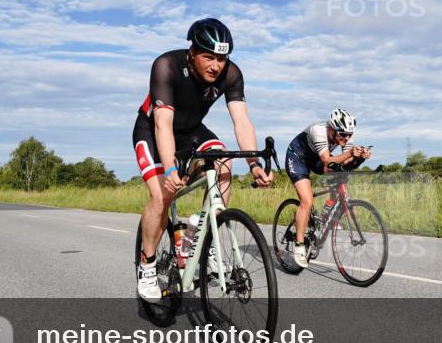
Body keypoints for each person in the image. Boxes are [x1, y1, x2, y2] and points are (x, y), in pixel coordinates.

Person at [132, 18, 273, 300]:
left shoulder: (231, 74)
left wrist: (254, 164)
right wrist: (170, 167)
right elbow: (162, 123)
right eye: (209, 57)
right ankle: (147, 265)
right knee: (163, 197)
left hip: (193, 131)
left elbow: (241, 121)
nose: (216, 66)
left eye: (222, 58)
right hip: (153, 130)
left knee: (223, 163)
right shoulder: (167, 65)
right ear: (192, 52)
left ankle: (205, 237)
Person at [284, 109, 371, 267]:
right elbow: (326, 160)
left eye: (350, 134)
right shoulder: (318, 131)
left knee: (340, 174)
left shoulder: (345, 135)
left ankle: (325, 214)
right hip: (297, 158)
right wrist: (350, 153)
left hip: (315, 159)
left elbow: (345, 162)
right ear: (332, 128)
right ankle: (299, 245)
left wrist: (359, 158)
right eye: (343, 134)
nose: (347, 138)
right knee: (307, 201)